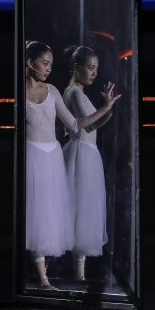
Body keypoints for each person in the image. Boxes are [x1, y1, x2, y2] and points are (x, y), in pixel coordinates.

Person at [24, 41, 119, 290]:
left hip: (52, 155)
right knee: (37, 214)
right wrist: (105, 109)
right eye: (44, 63)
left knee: (51, 215)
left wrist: (107, 108)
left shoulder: (53, 91)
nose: (48, 68)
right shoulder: (22, 92)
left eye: (50, 64)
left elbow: (76, 124)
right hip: (33, 154)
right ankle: (43, 278)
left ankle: (49, 275)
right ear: (29, 63)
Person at [63, 46, 115, 281]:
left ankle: (80, 274)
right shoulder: (73, 92)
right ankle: (73, 273)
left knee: (85, 210)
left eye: (96, 68)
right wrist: (105, 108)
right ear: (77, 67)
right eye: (90, 68)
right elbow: (84, 123)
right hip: (80, 153)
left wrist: (107, 109)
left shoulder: (80, 92)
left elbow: (93, 126)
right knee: (78, 209)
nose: (94, 73)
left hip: (89, 152)